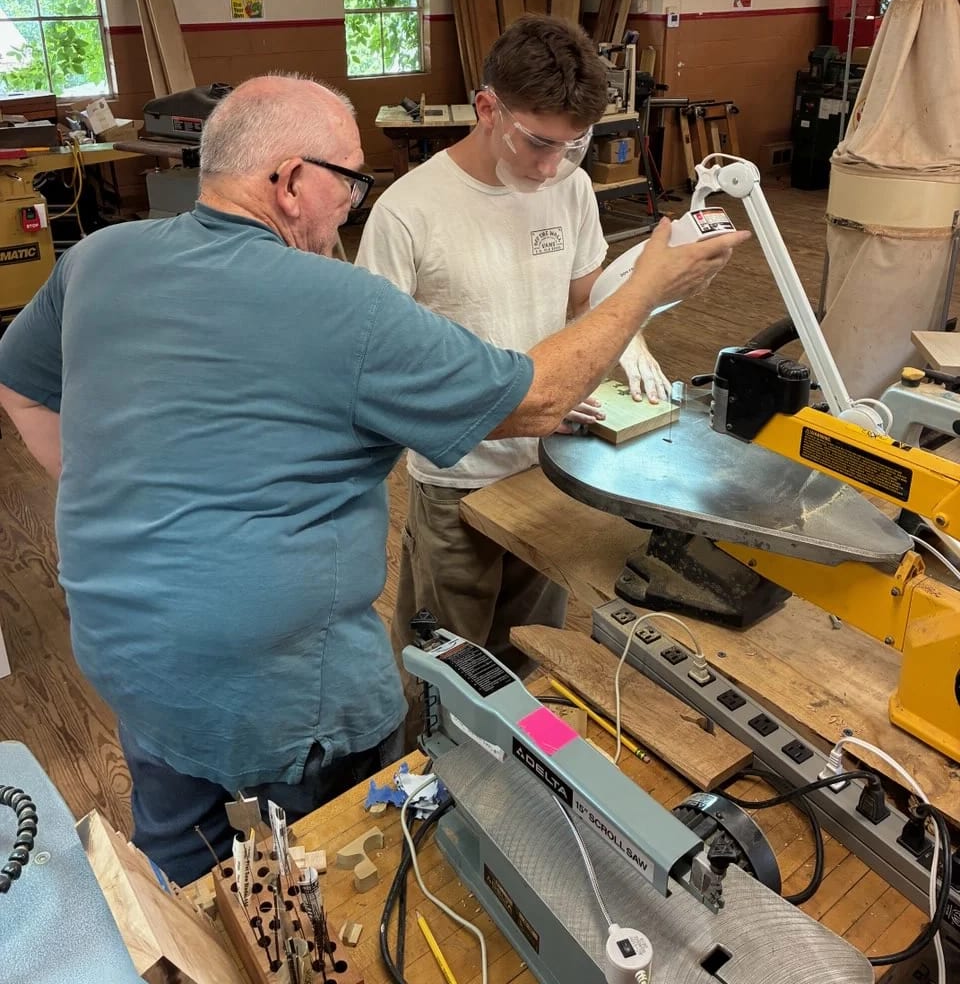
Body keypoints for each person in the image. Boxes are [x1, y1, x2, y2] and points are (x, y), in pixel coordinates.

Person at [0, 73, 745, 885]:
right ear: (291, 181)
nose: (353, 206)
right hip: (284, 699)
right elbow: (539, 398)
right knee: (344, 874)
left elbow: (20, 384)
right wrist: (648, 287)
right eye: (350, 183)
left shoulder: (100, 258)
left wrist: (118, 489)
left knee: (181, 867)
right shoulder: (340, 303)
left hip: (126, 657)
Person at [356, 15, 672, 738]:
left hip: (551, 462)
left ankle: (523, 770)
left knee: (531, 655)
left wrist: (635, 322)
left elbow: (585, 296)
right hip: (459, 478)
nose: (552, 165)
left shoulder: (571, 188)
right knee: (442, 668)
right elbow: (382, 371)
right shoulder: (408, 212)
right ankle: (426, 779)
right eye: (538, 142)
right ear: (487, 107)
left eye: (573, 145)